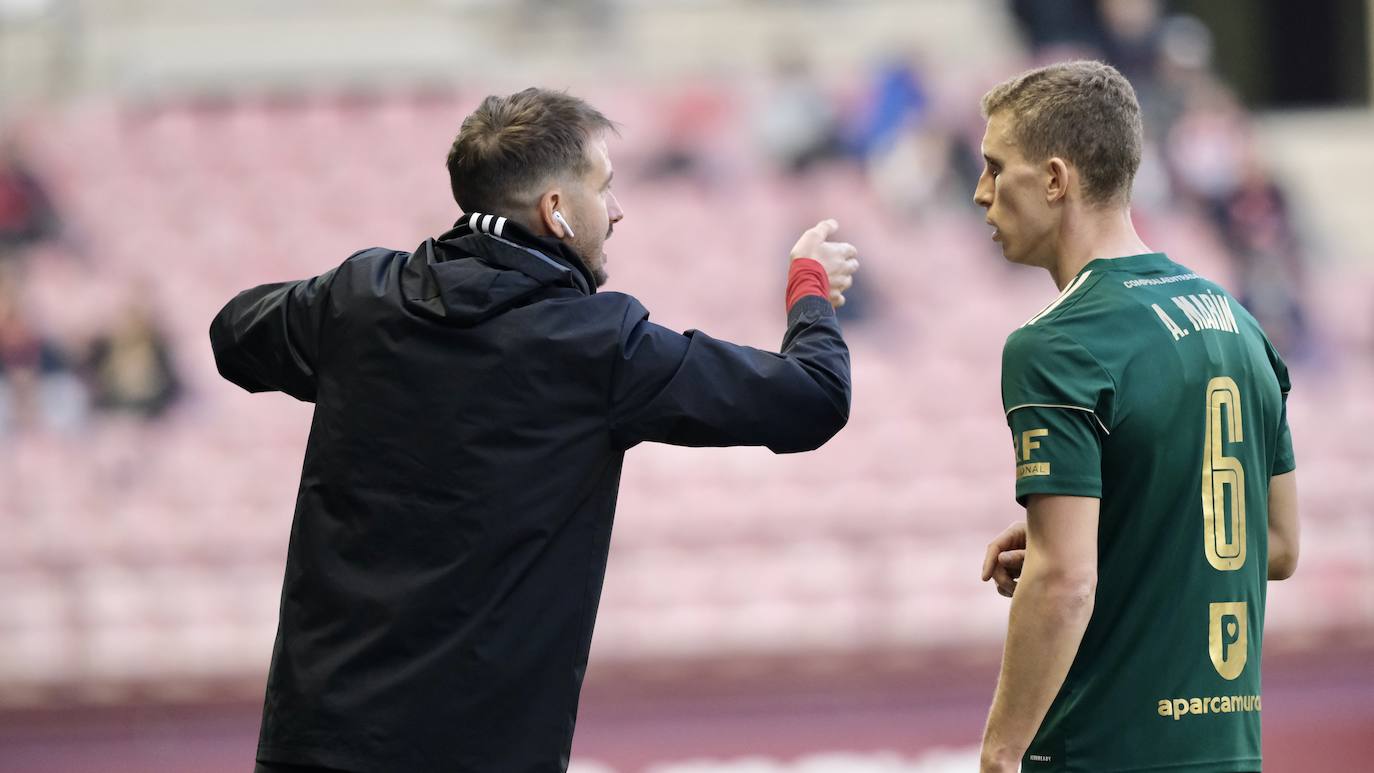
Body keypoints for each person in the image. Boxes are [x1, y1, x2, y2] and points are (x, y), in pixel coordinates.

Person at [209, 87, 858, 773]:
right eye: (603, 188)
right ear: (556, 212)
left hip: (313, 747)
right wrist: (809, 288)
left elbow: (233, 333)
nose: (616, 209)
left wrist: (362, 352)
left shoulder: (361, 298)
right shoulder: (601, 347)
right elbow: (813, 396)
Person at [969, 61, 1298, 773]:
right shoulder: (1237, 321)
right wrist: (1116, 528)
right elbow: (1275, 543)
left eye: (996, 168)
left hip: (1102, 752)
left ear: (1055, 179)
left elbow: (1063, 581)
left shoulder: (1057, 342)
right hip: (1228, 754)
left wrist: (1000, 753)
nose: (981, 192)